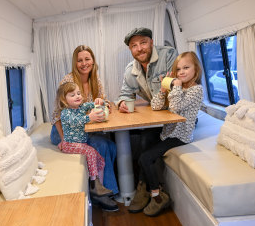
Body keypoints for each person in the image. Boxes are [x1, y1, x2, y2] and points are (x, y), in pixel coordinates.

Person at [128, 51, 204, 217]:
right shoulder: (179, 87)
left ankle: (157, 196)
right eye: (178, 69)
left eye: (186, 68)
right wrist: (163, 90)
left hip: (180, 136)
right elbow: (155, 106)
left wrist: (175, 87)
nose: (181, 72)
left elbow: (176, 107)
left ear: (196, 70)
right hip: (168, 132)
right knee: (145, 140)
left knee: (145, 158)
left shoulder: (196, 90)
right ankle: (145, 190)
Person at [50, 45, 119, 196]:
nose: (84, 63)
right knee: (100, 144)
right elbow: (56, 115)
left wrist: (103, 102)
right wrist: (64, 140)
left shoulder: (96, 80)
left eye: (87, 59)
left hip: (82, 127)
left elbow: (105, 102)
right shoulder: (68, 81)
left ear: (93, 61)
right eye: (79, 60)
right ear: (75, 63)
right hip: (63, 131)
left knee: (112, 145)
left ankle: (106, 186)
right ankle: (102, 192)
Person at [115, 27, 179, 158]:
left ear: (151, 42)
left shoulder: (168, 55)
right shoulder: (130, 70)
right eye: (134, 46)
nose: (139, 49)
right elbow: (125, 95)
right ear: (130, 50)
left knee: (146, 146)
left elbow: (179, 87)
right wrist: (122, 102)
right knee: (142, 140)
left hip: (177, 117)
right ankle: (145, 178)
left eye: (143, 43)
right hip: (157, 119)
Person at [56, 82, 119, 212]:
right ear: (64, 99)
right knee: (91, 152)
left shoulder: (81, 107)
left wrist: (101, 102)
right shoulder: (65, 113)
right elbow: (76, 121)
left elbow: (92, 104)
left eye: (78, 93)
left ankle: (99, 186)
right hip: (70, 145)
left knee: (99, 159)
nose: (77, 96)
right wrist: (89, 117)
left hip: (80, 143)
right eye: (72, 95)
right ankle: (93, 183)